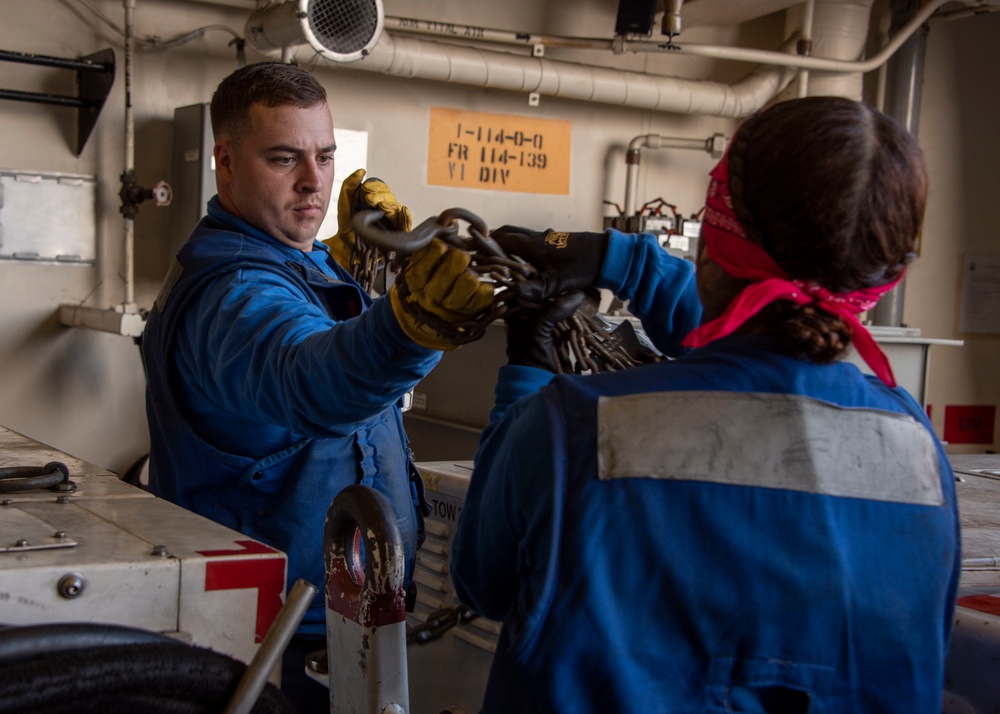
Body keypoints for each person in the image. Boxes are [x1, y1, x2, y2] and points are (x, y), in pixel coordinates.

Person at [450, 96, 959, 713]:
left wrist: (528, 373)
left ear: (712, 244)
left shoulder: (566, 430)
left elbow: (483, 582)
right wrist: (625, 261)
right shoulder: (917, 451)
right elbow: (770, 330)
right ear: (883, 276)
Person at [141, 61, 492, 711]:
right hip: (272, 649)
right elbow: (311, 381)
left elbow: (307, 309)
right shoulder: (232, 295)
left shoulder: (290, 259)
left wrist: (345, 260)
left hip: (334, 621)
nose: (313, 182)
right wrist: (410, 330)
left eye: (325, 157)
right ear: (224, 159)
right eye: (283, 159)